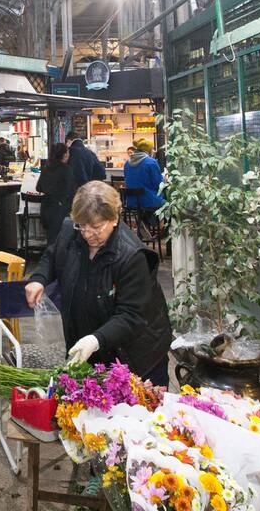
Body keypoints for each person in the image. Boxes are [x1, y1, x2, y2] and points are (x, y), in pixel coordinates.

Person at [24, 181, 172, 386]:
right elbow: (52, 255)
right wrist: (39, 279)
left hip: (136, 355)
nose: (87, 234)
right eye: (82, 226)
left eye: (96, 228)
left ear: (114, 218)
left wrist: (96, 340)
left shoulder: (132, 256)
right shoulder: (71, 230)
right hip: (92, 349)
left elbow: (131, 315)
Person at [35, 143, 77, 247]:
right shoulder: (66, 169)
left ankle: (51, 261)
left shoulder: (46, 168)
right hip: (60, 209)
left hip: (46, 208)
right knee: (62, 241)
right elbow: (70, 190)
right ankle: (58, 261)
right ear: (64, 155)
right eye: (67, 152)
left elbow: (38, 187)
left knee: (51, 240)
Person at [123, 138, 165, 223]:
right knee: (168, 204)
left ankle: (146, 227)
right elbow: (158, 184)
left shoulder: (127, 163)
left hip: (131, 201)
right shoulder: (151, 162)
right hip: (148, 201)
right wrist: (164, 179)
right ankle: (158, 229)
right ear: (148, 151)